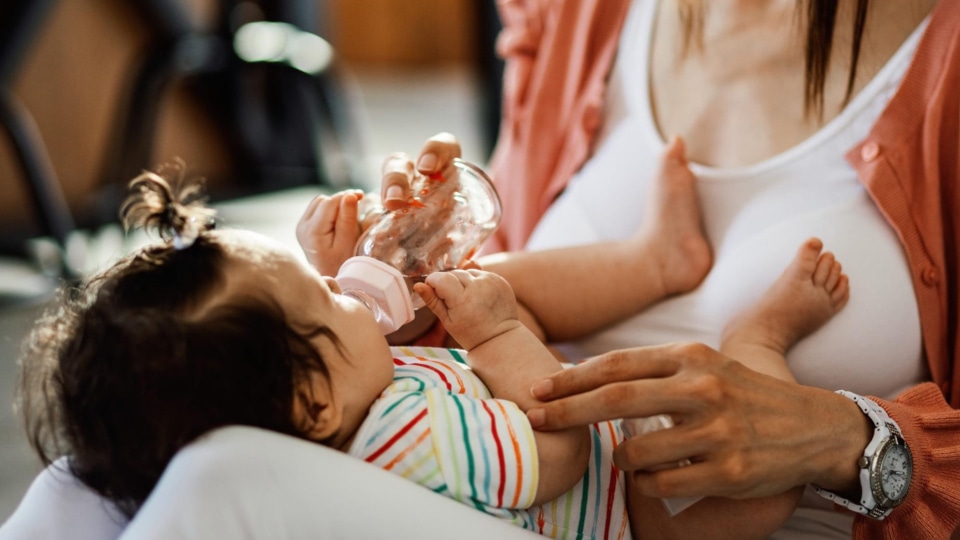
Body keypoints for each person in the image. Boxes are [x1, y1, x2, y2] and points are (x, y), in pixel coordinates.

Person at [373, 0, 960, 538]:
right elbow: (483, 327)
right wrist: (405, 287)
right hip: (560, 475)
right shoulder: (576, 15)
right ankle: (672, 275)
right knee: (503, 292)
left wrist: (840, 440)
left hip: (653, 508)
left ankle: (742, 327)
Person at [19, 159, 847, 538]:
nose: (346, 293)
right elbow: (557, 458)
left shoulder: (334, 404)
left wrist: (358, 275)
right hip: (622, 512)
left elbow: (338, 343)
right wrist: (500, 331)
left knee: (74, 485)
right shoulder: (400, 430)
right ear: (309, 402)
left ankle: (653, 260)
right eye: (324, 297)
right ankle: (761, 337)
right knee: (761, 500)